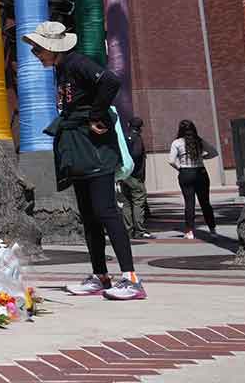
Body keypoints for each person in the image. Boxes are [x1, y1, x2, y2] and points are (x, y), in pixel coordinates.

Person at [27, 21, 145, 302]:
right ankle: (100, 275)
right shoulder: (61, 69)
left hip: (95, 149)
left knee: (106, 212)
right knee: (89, 216)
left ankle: (131, 279)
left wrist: (95, 114)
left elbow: (110, 81)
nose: (35, 54)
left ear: (52, 48)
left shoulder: (77, 62)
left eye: (38, 49)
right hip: (78, 147)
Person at [168, 119, 218, 239]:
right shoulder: (199, 141)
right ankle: (212, 230)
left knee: (189, 203)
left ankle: (189, 231)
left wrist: (180, 168)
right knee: (205, 202)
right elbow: (214, 152)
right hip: (200, 172)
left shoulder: (177, 143)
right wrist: (203, 157)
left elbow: (171, 160)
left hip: (185, 172)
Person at [119, 117, 152, 238]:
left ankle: (128, 229)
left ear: (128, 124)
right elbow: (137, 154)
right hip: (135, 176)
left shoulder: (124, 138)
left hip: (124, 174)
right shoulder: (137, 138)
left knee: (126, 202)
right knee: (138, 201)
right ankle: (140, 230)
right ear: (140, 127)